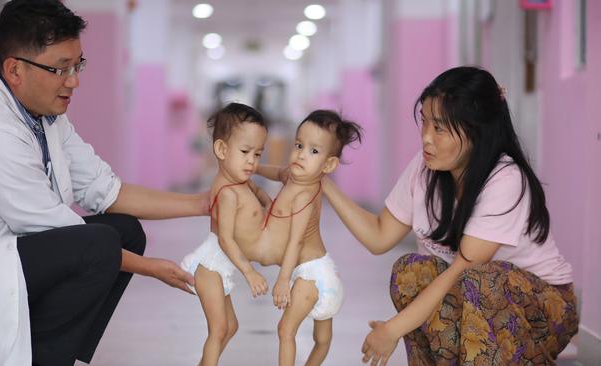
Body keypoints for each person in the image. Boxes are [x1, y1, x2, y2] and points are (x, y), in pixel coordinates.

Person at [0, 1, 207, 365]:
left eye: (77, 65)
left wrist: (202, 204)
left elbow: (107, 190)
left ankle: (61, 355)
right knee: (98, 245)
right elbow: (58, 228)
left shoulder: (43, 114)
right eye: (60, 69)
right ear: (14, 70)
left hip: (14, 256)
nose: (73, 81)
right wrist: (155, 268)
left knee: (124, 231)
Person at [321, 66, 578, 365]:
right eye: (425, 123)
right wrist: (323, 184)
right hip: (472, 299)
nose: (426, 138)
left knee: (479, 279)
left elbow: (462, 271)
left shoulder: (505, 178)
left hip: (544, 311)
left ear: (475, 130)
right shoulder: (425, 167)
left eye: (440, 128)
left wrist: (392, 330)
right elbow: (379, 236)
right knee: (411, 270)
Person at [256, 110, 362, 366]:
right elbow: (276, 171)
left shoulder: (305, 195)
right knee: (322, 340)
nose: (302, 154)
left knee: (285, 330)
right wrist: (254, 167)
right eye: (299, 145)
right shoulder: (292, 176)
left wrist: (282, 280)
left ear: (328, 165)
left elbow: (296, 241)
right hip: (322, 271)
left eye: (314, 151)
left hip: (313, 275)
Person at [180, 102, 271, 366]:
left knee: (230, 327)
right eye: (245, 152)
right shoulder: (228, 193)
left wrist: (267, 201)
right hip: (211, 266)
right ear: (221, 149)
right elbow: (225, 239)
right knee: (218, 329)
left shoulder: (240, 180)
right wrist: (249, 272)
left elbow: (259, 194)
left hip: (220, 267)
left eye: (258, 154)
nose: (252, 162)